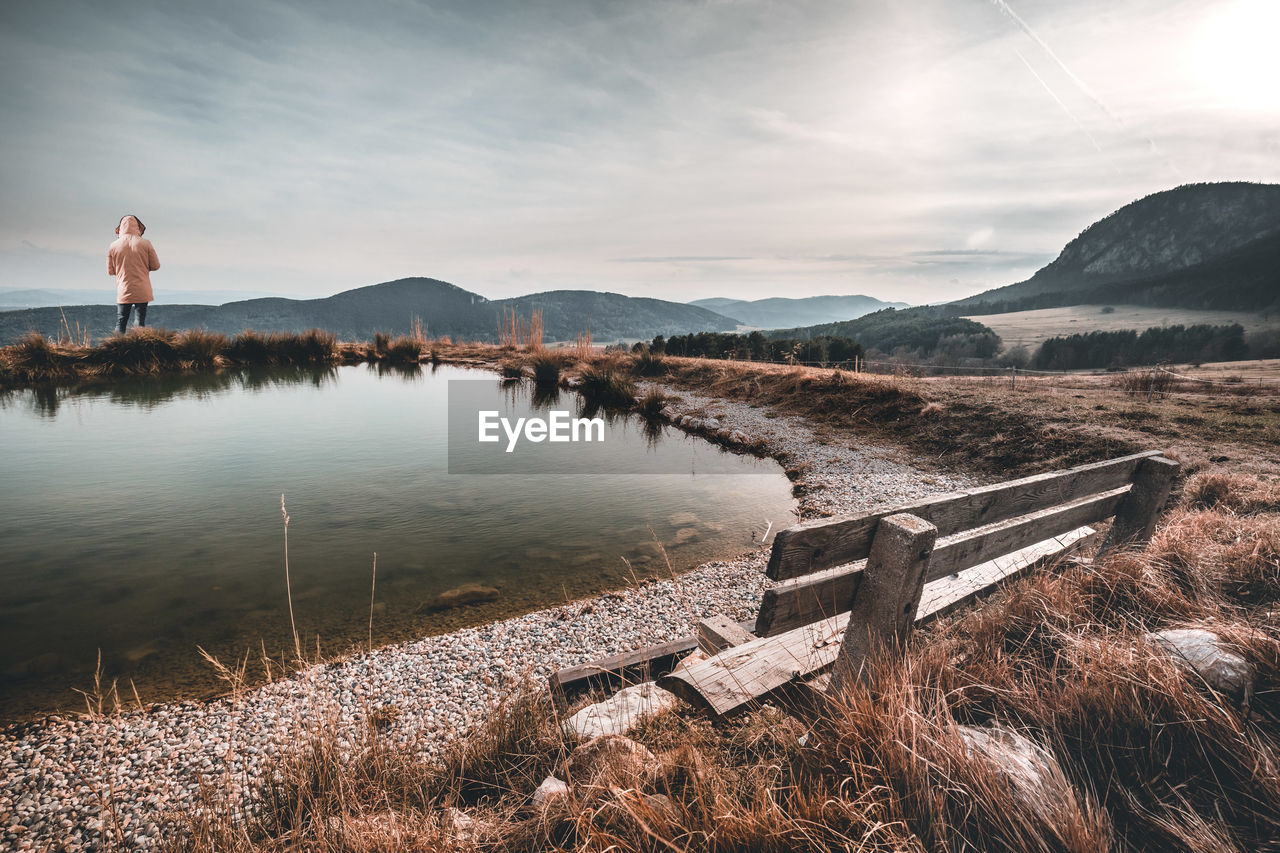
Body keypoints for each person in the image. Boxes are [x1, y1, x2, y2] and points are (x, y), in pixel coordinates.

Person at [108, 214, 160, 334]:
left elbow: (111, 271)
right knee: (139, 321)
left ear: (120, 228)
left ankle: (117, 348)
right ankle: (138, 346)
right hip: (142, 287)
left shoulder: (113, 246)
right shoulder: (145, 243)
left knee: (121, 321)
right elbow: (155, 266)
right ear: (138, 227)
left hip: (124, 288)